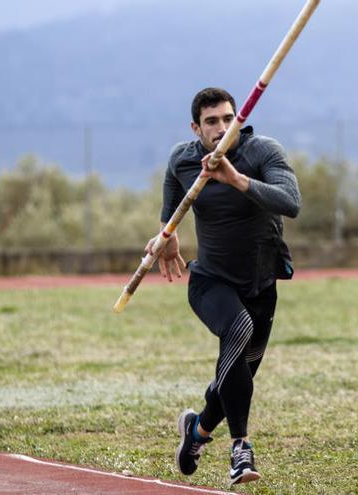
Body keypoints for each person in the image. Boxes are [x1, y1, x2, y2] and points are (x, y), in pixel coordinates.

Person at [145, 87, 300, 485]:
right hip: (210, 282)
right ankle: (240, 451)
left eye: (228, 119)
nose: (221, 128)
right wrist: (169, 235)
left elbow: (291, 202)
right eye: (211, 122)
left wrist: (236, 180)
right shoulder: (182, 160)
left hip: (261, 285)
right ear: (196, 128)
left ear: (240, 120)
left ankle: (196, 431)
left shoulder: (263, 153)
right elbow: (170, 216)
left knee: (237, 372)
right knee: (238, 331)